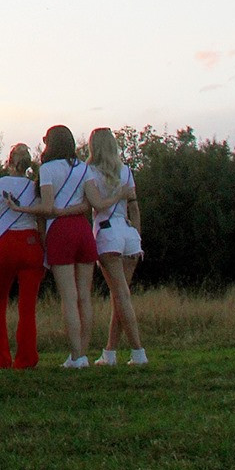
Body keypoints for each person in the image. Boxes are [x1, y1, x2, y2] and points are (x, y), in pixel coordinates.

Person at [15, 124, 97, 366]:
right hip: (83, 229)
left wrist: (21, 208)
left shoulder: (48, 168)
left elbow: (48, 207)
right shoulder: (84, 169)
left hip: (60, 232)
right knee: (85, 297)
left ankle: (76, 355)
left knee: (69, 298)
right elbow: (88, 205)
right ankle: (83, 351)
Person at [85, 128, 147, 367]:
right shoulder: (126, 171)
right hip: (128, 233)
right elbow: (134, 207)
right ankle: (109, 352)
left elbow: (96, 206)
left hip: (107, 232)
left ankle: (138, 351)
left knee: (120, 295)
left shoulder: (88, 172)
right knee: (120, 296)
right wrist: (137, 236)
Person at [0, 143, 46, 369]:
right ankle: (27, 357)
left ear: (9, 161)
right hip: (31, 242)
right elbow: (40, 221)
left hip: (5, 242)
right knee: (27, 306)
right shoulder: (35, 187)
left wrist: (0, 239)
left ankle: (0, 356)